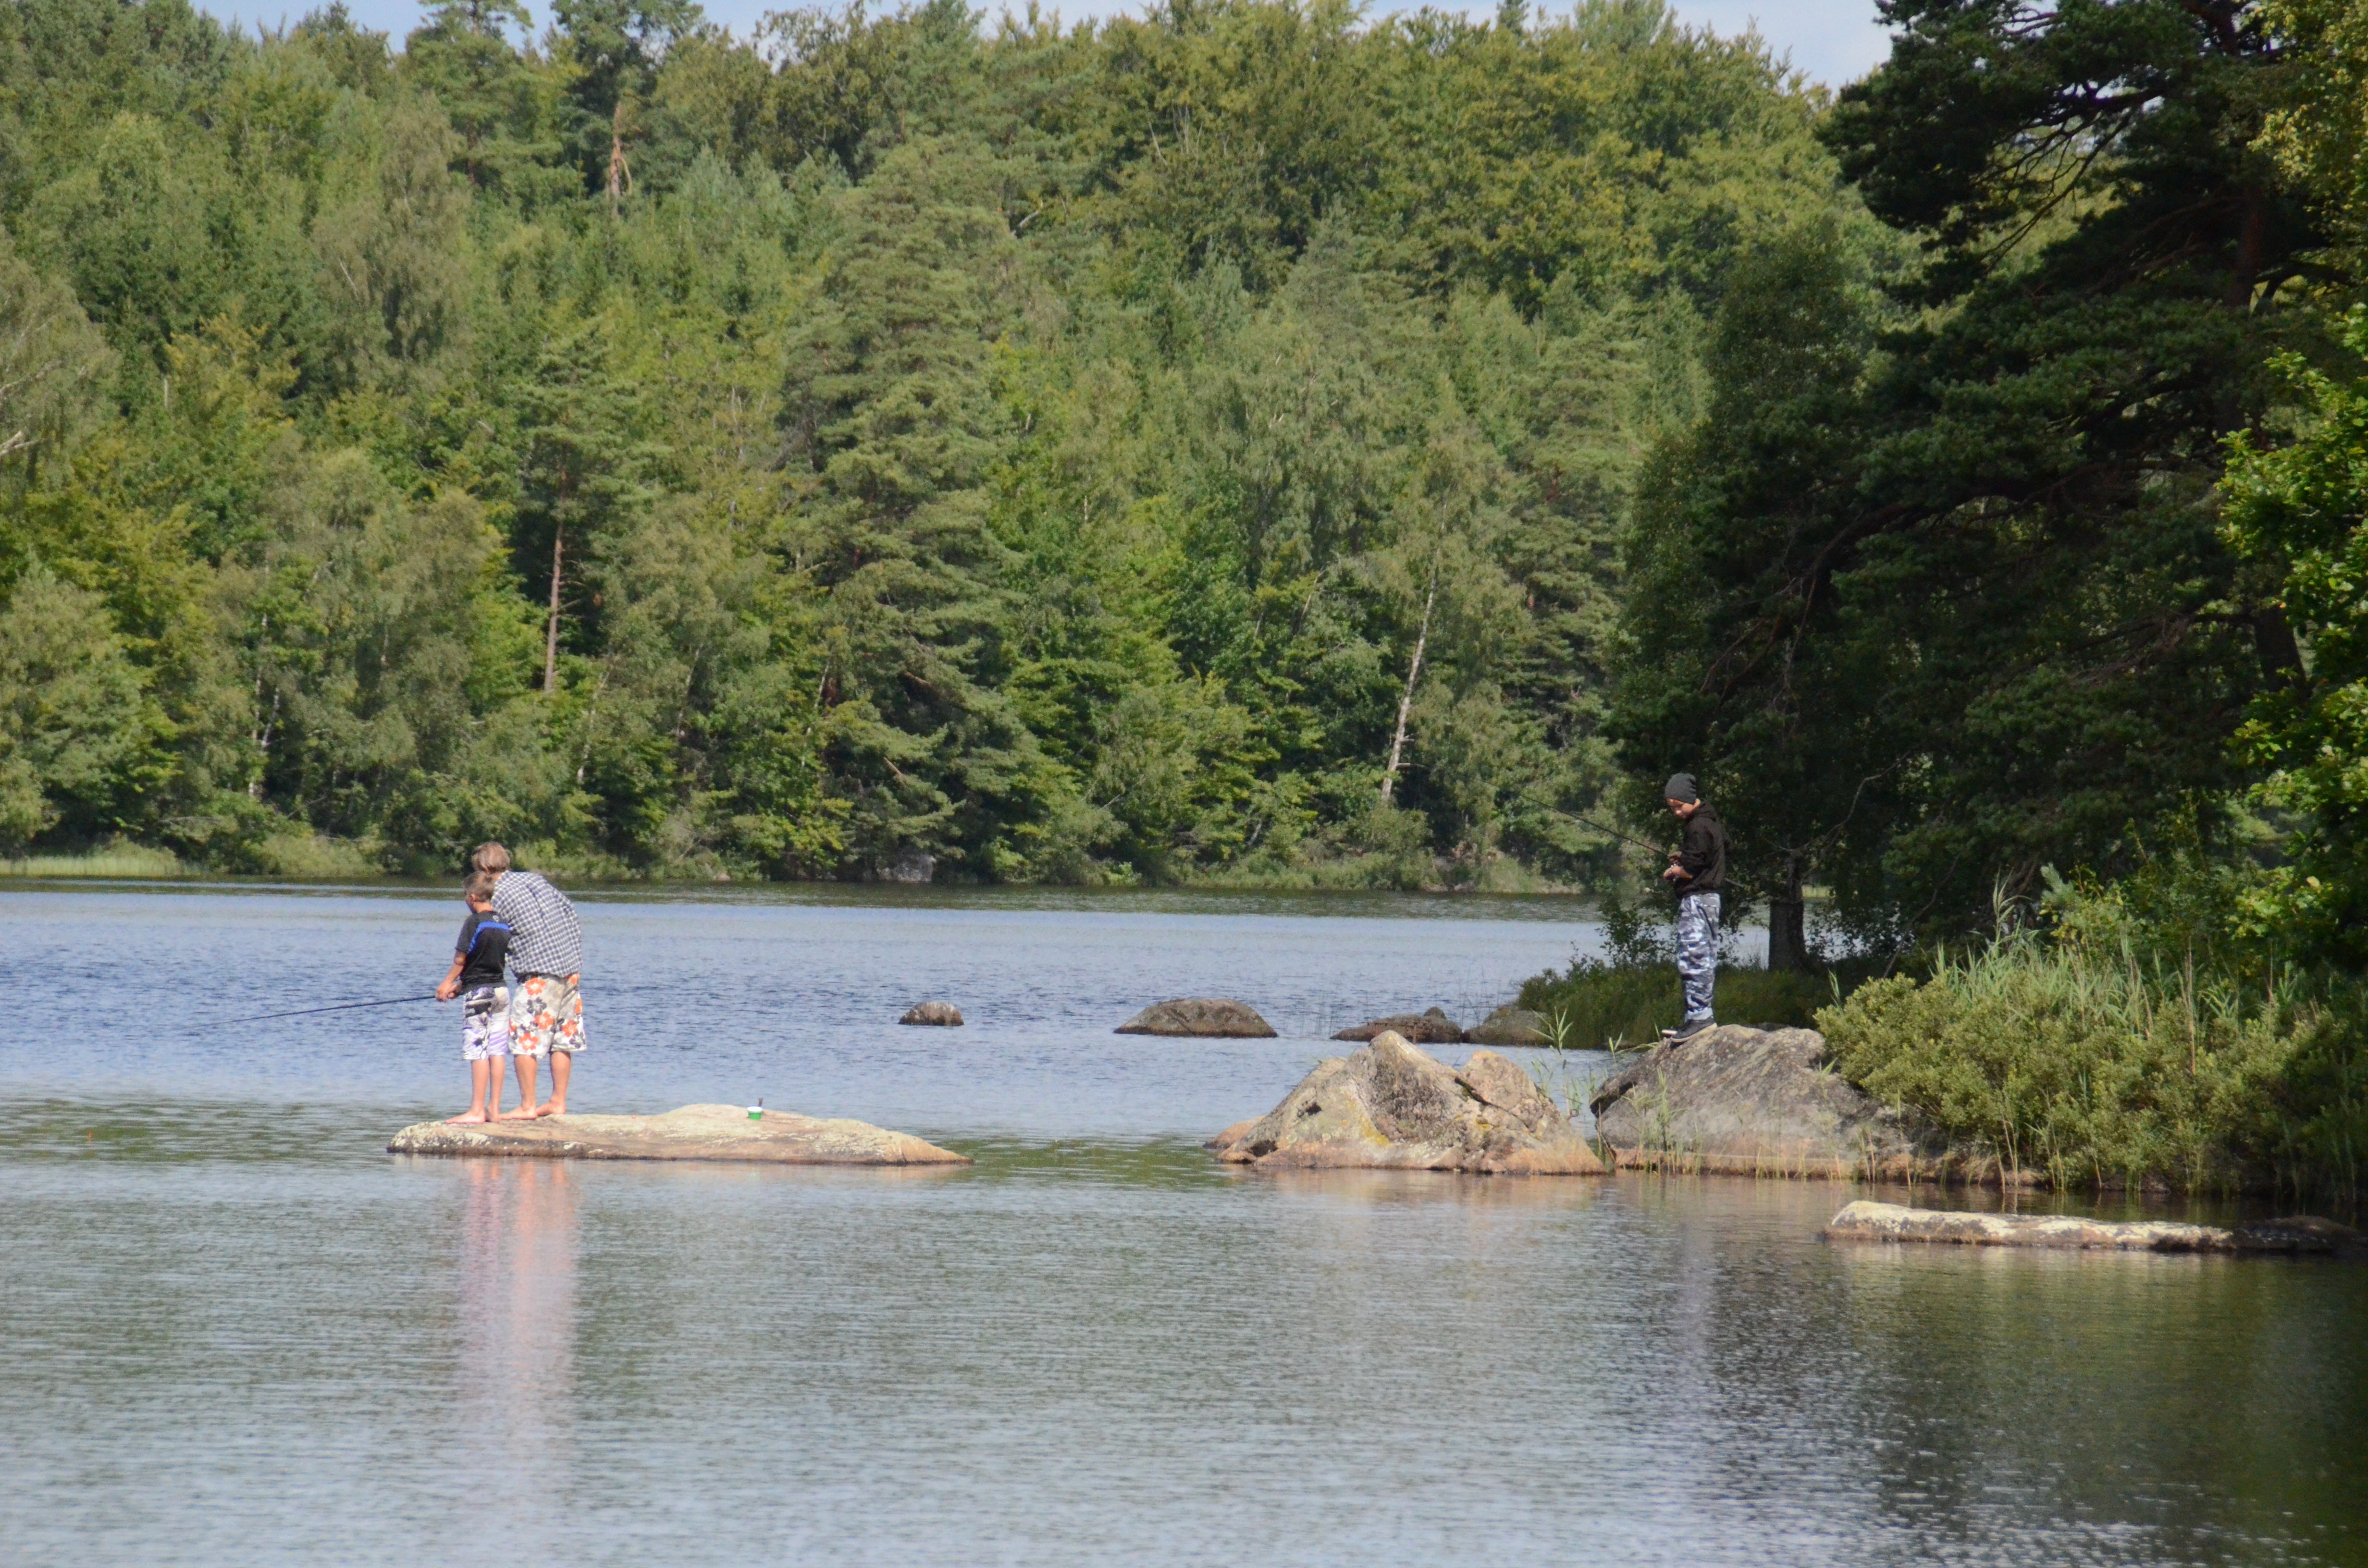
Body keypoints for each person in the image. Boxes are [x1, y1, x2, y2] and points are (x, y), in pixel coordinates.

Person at [471, 842, 586, 1118]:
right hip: (570, 968)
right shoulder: (536, 880)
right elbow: (570, 912)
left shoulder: (495, 895)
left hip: (538, 974)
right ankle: (558, 1102)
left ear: (486, 869)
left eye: (477, 871)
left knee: (525, 1039)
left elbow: (492, 936)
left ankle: (528, 1106)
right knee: (562, 1039)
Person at [435, 871, 514, 1124]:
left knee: (478, 1050)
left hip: (479, 994)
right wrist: (461, 987)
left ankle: (477, 1111)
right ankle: (495, 1110)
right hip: (501, 991)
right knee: (497, 1051)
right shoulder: (503, 923)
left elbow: (462, 959)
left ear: (472, 897)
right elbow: (487, 962)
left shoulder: (473, 922)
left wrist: (446, 984)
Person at [1658, 772, 1727, 1042]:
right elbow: (1719, 850)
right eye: (1671, 807)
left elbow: (1694, 866)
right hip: (1711, 899)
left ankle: (1699, 1018)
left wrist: (1675, 870)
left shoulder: (1697, 827)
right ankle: (1699, 1015)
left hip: (1698, 900)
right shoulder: (1711, 822)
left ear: (1690, 799)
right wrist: (1685, 857)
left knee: (1693, 957)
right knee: (1705, 957)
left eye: (1678, 805)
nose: (1676, 812)